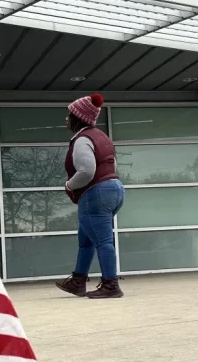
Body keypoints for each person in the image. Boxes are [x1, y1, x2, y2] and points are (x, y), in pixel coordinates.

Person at [54, 93, 125, 299]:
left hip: (96, 193)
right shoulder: (102, 137)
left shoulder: (82, 140)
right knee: (86, 240)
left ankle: (111, 285)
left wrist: (69, 185)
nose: (66, 119)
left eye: (69, 115)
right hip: (115, 189)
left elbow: (86, 170)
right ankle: (78, 281)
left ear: (79, 117)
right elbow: (111, 166)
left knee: (103, 241)